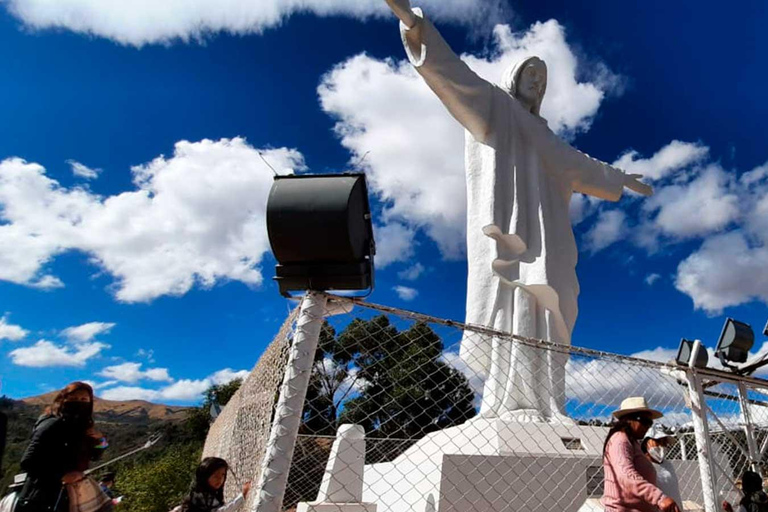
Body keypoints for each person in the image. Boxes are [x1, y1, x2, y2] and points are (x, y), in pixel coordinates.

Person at [384, 0, 653, 423]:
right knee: (519, 301)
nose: (536, 81)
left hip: (551, 240)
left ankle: (549, 403)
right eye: (530, 73)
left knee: (555, 304)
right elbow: (456, 77)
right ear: (513, 78)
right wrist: (417, 29)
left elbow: (579, 164)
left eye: (542, 79)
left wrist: (621, 178)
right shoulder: (495, 109)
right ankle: (511, 402)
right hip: (516, 239)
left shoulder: (547, 138)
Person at [15, 381, 109, 512]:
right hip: (42, 497)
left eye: (84, 399)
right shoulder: (51, 424)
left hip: (70, 495)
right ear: (64, 399)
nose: (79, 402)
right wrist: (60, 476)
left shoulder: (80, 427)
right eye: (74, 398)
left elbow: (95, 456)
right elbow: (28, 462)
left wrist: (101, 440)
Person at [602, 397, 681, 512]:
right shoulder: (620, 440)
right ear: (628, 419)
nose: (647, 426)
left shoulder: (631, 442)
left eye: (650, 423)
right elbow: (626, 476)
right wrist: (659, 498)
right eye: (644, 421)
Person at [181, 457, 251, 512]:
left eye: (223, 475)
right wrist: (242, 495)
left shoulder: (210, 495)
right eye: (216, 476)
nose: (220, 479)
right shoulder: (200, 497)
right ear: (205, 476)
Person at [642, 425, 684, 508]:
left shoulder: (668, 465)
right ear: (645, 443)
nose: (661, 446)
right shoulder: (642, 465)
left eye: (664, 442)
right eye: (657, 441)